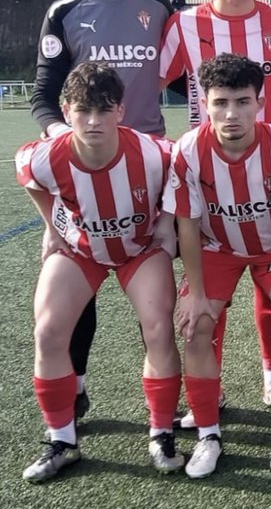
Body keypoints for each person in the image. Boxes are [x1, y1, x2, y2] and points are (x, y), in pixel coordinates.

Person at [29, 0, 176, 425]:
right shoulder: (63, 12)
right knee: (78, 280)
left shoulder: (159, 9)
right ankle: (78, 385)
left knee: (155, 293)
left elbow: (190, 79)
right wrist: (65, 139)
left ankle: (166, 402)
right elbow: (44, 96)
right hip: (85, 170)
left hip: (150, 172)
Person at [17, 63, 183, 482]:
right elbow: (28, 177)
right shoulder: (47, 156)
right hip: (82, 249)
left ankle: (162, 431)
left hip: (139, 250)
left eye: (104, 111)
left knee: (159, 328)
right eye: (83, 111)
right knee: (48, 331)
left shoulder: (152, 153)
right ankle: (61, 439)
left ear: (121, 112)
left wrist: (165, 225)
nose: (93, 121)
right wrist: (51, 229)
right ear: (66, 110)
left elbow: (181, 173)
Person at [160, 0, 271, 416]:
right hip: (207, 175)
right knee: (203, 289)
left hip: (270, 168)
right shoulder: (183, 25)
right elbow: (151, 83)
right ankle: (206, 388)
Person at [166, 54, 271, 477]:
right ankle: (208, 434)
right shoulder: (189, 151)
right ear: (205, 103)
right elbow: (188, 227)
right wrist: (194, 292)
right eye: (221, 102)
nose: (232, 114)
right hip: (217, 249)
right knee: (195, 324)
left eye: (242, 102)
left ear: (260, 103)